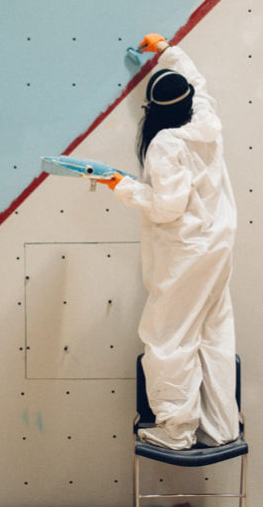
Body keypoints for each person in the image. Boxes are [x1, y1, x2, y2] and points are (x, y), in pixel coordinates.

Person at [103, 33, 240, 450]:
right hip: (217, 243)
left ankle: (177, 430)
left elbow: (166, 208)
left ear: (152, 111)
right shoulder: (206, 121)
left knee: (167, 336)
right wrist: (165, 50)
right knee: (213, 331)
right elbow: (196, 81)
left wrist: (121, 186)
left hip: (185, 252)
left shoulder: (165, 144)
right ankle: (221, 429)